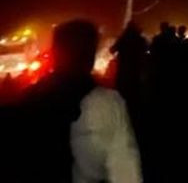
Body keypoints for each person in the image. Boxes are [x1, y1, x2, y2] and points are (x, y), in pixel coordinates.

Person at [20, 19, 142, 183]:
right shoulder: (110, 104)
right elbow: (125, 170)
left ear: (55, 52)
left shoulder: (31, 98)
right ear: (90, 55)